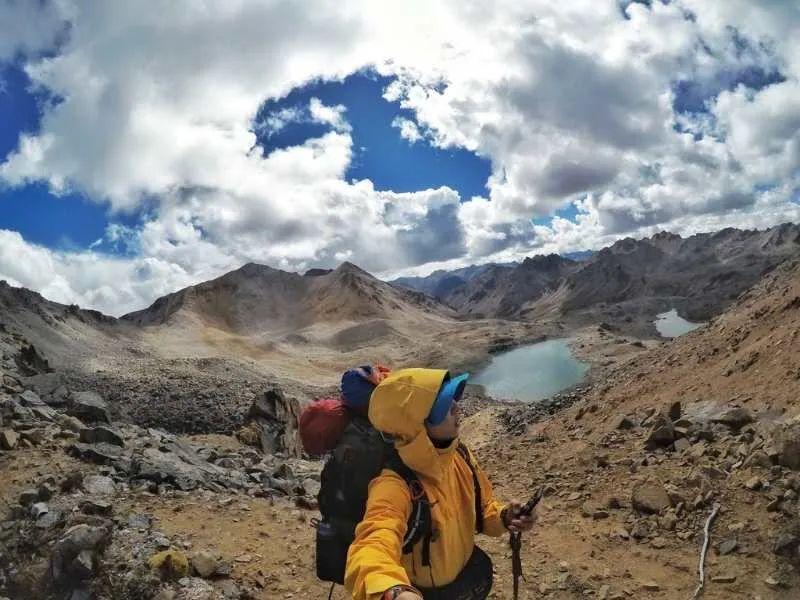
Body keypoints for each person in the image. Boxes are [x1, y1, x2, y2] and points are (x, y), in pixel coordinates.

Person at [344, 368, 535, 600]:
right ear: (417, 427)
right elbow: (372, 543)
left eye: (453, 399)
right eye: (444, 406)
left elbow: (483, 511)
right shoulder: (393, 485)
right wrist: (391, 591)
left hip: (465, 578)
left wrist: (505, 517)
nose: (456, 407)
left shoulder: (459, 455)